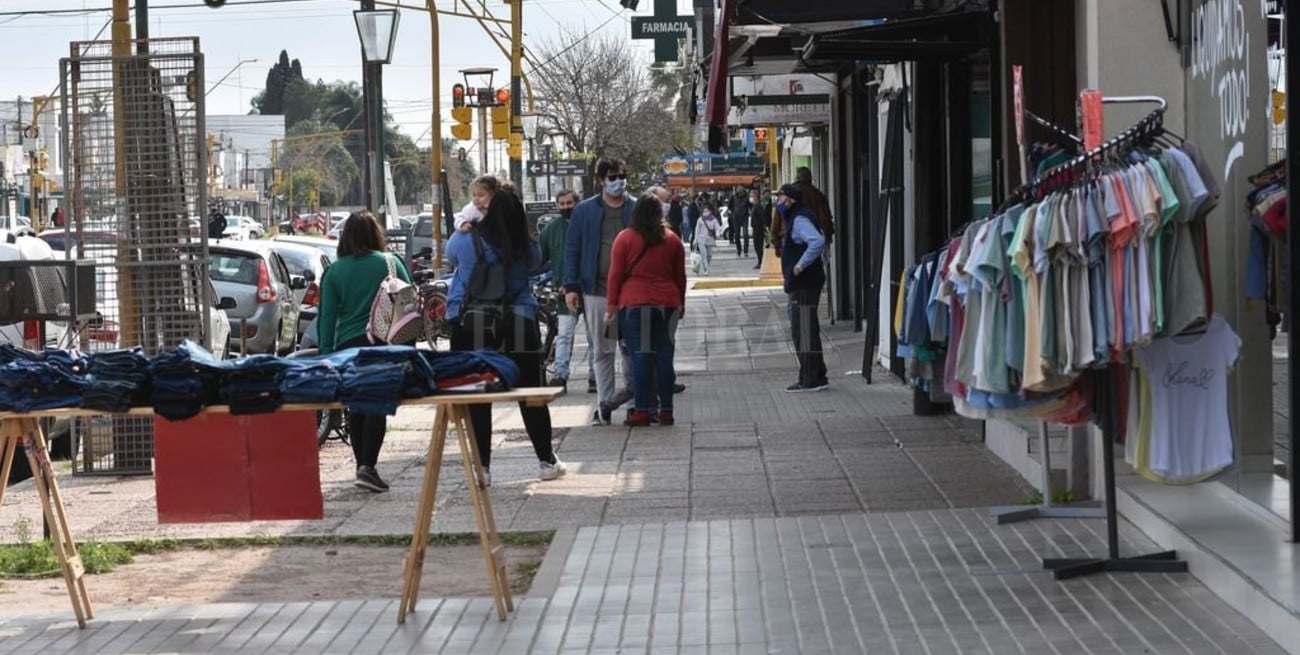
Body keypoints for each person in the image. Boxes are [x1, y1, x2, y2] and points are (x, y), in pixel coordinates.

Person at [445, 190, 566, 485]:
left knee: (476, 392)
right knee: (531, 393)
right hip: (519, 321)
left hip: (472, 322)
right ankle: (546, 460)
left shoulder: (465, 239)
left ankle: (481, 468)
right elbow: (537, 264)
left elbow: (450, 258)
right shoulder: (526, 245)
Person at [317, 211, 414, 491]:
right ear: (375, 235)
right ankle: (367, 467)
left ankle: (363, 465)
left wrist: (326, 355)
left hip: (348, 347)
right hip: (384, 344)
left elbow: (326, 318)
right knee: (376, 405)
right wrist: (409, 348)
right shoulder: (390, 262)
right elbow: (408, 305)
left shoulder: (334, 272)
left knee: (356, 406)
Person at [562, 158, 637, 426]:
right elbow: (572, 250)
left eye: (623, 175)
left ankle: (634, 404)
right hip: (596, 291)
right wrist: (571, 286)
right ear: (602, 180)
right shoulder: (584, 211)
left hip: (631, 293)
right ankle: (603, 405)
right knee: (603, 351)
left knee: (631, 349)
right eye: (614, 177)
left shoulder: (636, 208)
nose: (619, 181)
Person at [607, 193, 686, 426]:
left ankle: (641, 410)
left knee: (640, 358)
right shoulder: (672, 239)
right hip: (668, 304)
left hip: (636, 304)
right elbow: (680, 275)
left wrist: (611, 307)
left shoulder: (625, 238)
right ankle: (667, 411)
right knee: (664, 357)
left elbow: (615, 275)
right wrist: (681, 303)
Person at [538, 189, 596, 391]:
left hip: (591, 289)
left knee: (594, 336)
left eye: (569, 203)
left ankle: (595, 377)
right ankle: (560, 375)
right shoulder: (552, 229)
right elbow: (540, 257)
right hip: (565, 292)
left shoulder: (590, 226)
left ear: (577, 203)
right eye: (561, 204)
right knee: (564, 335)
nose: (565, 207)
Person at [775, 183, 829, 393]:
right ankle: (816, 374)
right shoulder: (797, 216)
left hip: (805, 282)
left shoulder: (799, 219)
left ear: (790, 200)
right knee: (808, 329)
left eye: (780, 198)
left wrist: (799, 266)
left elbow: (817, 242)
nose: (778, 203)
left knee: (803, 330)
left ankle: (810, 378)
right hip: (805, 282)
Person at [770, 167, 834, 252]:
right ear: (810, 179)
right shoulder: (819, 196)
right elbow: (825, 220)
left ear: (797, 178)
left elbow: (776, 222)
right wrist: (827, 237)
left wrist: (777, 244)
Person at [692, 203, 720, 275]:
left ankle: (707, 265)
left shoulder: (713, 219)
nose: (705, 212)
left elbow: (717, 227)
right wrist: (695, 239)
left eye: (707, 211)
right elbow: (697, 230)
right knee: (703, 255)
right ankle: (706, 269)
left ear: (710, 211)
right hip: (701, 240)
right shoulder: (700, 220)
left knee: (709, 255)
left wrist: (717, 234)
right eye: (704, 211)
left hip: (710, 239)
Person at [729, 187, 751, 257]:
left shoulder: (747, 197)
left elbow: (750, 205)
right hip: (736, 217)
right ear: (737, 192)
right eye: (739, 192)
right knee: (737, 234)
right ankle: (739, 250)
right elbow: (730, 206)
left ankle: (745, 251)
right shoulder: (733, 197)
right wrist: (733, 212)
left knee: (745, 234)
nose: (741, 194)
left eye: (742, 192)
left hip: (744, 217)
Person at [749, 188, 769, 269]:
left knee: (758, 246)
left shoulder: (758, 206)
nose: (751, 197)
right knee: (756, 246)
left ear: (756, 197)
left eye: (752, 196)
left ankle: (761, 262)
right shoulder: (755, 206)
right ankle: (760, 261)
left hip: (758, 228)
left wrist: (764, 227)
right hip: (755, 228)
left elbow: (762, 218)